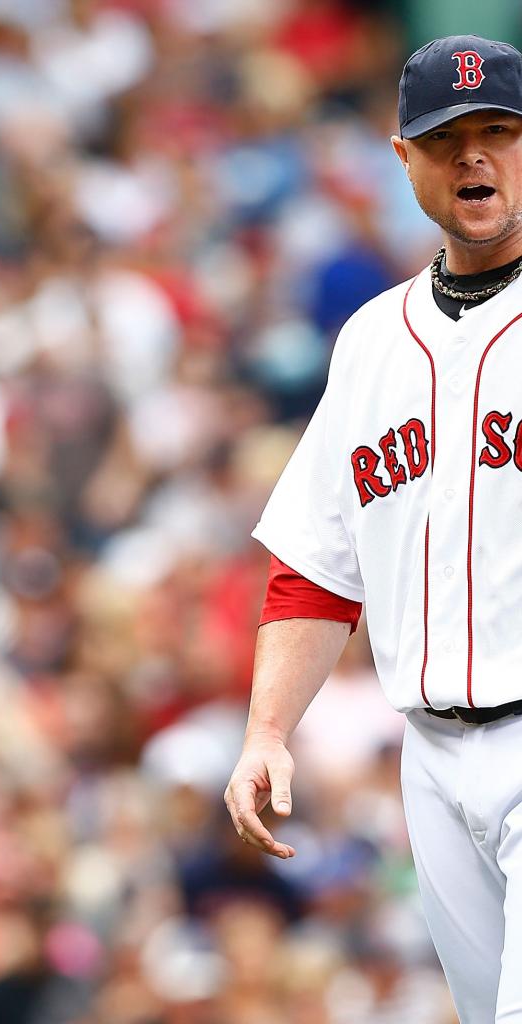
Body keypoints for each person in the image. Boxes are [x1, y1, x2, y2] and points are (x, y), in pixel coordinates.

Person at [225, 34, 522, 1024]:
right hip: (429, 757)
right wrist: (267, 730)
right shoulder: (369, 343)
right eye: (446, 140)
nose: (475, 156)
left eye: (500, 131)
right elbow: (316, 572)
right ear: (404, 159)